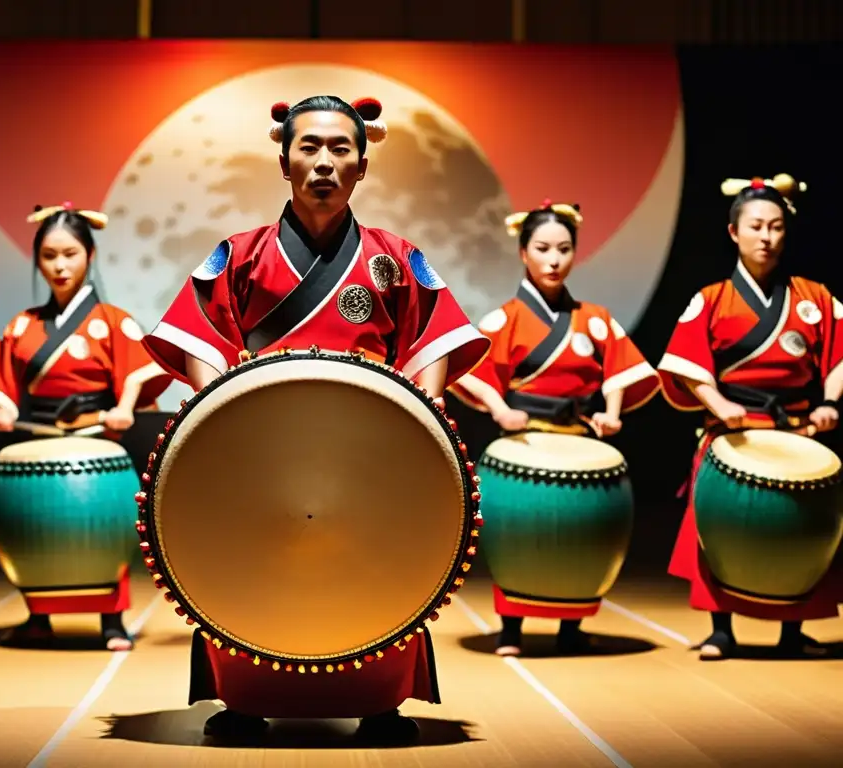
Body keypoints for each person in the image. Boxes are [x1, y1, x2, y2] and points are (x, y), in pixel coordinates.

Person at [142, 95, 490, 743]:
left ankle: (380, 703)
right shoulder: (239, 253)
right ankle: (246, 701)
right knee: (253, 565)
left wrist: (424, 422)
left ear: (362, 165)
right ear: (284, 162)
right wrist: (218, 428)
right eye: (309, 147)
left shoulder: (394, 255)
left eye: (340, 149)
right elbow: (199, 340)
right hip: (264, 453)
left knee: (379, 566)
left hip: (371, 454)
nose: (324, 163)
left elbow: (432, 343)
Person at [449, 199, 660, 656]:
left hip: (578, 435)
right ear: (524, 252)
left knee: (579, 541)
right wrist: (500, 409)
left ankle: (571, 626)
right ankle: (511, 627)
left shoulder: (596, 319)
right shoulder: (507, 317)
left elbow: (620, 370)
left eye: (564, 249)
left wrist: (612, 410)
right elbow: (472, 373)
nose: (554, 258)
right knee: (521, 540)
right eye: (543, 248)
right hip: (526, 435)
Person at [657, 173, 842, 660]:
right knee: (720, 528)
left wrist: (829, 404)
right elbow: (686, 365)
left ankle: (793, 630)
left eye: (776, 226)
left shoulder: (815, 298)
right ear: (733, 231)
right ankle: (722, 629)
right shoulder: (712, 298)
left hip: (798, 430)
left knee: (800, 533)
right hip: (732, 432)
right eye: (756, 225)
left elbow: (839, 359)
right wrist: (720, 406)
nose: (767, 236)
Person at [0, 202, 172, 651]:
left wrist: (123, 406)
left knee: (103, 532)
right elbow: (0, 378)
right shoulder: (24, 324)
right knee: (36, 529)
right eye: (49, 256)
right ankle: (38, 618)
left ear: (90, 255)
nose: (60, 265)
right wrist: (5, 408)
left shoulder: (112, 321)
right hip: (40, 436)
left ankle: (111, 621)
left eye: (70, 254)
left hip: (95, 435)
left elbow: (138, 370)